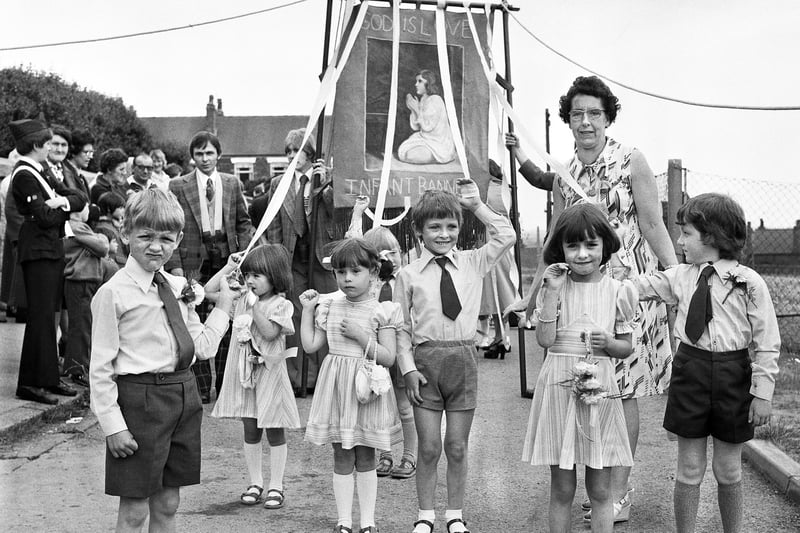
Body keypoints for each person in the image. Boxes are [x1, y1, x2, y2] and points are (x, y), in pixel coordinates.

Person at [509, 76, 679, 523]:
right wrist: (528, 302)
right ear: (568, 119)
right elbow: (554, 243)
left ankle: (619, 492)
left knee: (623, 389)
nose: (586, 122)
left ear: (608, 118)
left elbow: (653, 224)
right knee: (589, 389)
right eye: (578, 114)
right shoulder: (565, 173)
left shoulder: (632, 160)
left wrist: (676, 281)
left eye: (595, 114)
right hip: (580, 296)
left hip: (630, 293)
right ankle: (598, 483)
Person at [89, 188, 236, 533]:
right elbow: (100, 369)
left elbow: (202, 347)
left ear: (179, 239)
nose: (156, 246)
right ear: (125, 234)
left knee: (169, 502)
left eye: (166, 238)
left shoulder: (177, 285)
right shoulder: (113, 294)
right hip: (141, 403)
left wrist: (225, 305)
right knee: (135, 509)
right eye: (146, 236)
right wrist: (114, 426)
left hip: (183, 398)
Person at [635, 193, 779, 533]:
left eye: (686, 233)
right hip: (691, 372)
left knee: (729, 469)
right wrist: (595, 284)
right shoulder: (680, 277)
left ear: (711, 236)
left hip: (733, 377)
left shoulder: (750, 283)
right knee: (689, 468)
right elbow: (638, 287)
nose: (679, 241)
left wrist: (763, 392)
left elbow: (767, 342)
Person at [395, 180, 516, 533]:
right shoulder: (407, 275)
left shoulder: (474, 262)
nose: (443, 234)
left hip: (462, 360)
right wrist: (407, 369)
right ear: (419, 231)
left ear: (460, 228)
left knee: (457, 447)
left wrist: (476, 205)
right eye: (434, 227)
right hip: (424, 364)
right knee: (429, 448)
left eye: (450, 226)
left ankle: (454, 514)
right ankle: (425, 515)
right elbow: (401, 327)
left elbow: (505, 234)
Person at [522, 203, 636, 533]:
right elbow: (544, 340)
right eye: (572, 246)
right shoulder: (555, 286)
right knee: (561, 489)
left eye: (591, 245)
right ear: (561, 248)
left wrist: (608, 344)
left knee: (600, 490)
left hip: (598, 391)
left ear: (605, 246)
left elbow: (626, 348)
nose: (582, 254)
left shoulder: (619, 291)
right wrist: (551, 293)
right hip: (558, 387)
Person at [300, 238, 404, 533]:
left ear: (373, 273)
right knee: (341, 453)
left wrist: (361, 336)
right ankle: (344, 520)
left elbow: (388, 357)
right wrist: (308, 310)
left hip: (365, 389)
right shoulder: (330, 306)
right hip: (336, 387)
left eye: (355, 271)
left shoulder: (382, 310)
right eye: (340, 272)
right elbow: (310, 346)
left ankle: (368, 522)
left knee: (365, 453)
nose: (347, 278)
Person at [209, 244, 301, 510]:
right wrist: (228, 267)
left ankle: (276, 485)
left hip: (270, 373)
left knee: (274, 428)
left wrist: (254, 307)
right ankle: (255, 481)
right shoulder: (239, 298)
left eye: (257, 275)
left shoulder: (281, 305)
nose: (250, 280)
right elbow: (209, 292)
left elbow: (271, 333)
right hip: (245, 373)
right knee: (250, 427)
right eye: (248, 274)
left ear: (274, 276)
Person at [167, 130, 253, 403]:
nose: (205, 159)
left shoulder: (231, 182)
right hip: (193, 260)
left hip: (225, 256)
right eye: (199, 153)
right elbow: (173, 226)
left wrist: (245, 250)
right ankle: (202, 387)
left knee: (227, 315)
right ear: (192, 157)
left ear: (218, 154)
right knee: (195, 318)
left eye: (209, 153)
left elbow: (243, 221)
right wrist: (176, 267)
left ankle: (226, 382)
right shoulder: (178, 185)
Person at [8, 119, 87, 404]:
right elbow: (43, 217)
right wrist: (60, 207)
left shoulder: (40, 170)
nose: (51, 148)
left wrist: (60, 204)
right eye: (48, 143)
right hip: (39, 249)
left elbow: (78, 197)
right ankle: (30, 383)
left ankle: (48, 379)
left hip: (50, 248)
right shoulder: (24, 174)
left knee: (48, 318)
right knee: (40, 319)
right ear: (36, 146)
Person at [345, 206, 418, 481]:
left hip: (400, 349)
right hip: (374, 350)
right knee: (379, 405)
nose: (390, 259)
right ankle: (384, 453)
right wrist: (357, 214)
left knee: (404, 405)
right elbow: (351, 243)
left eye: (394, 253)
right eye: (382, 255)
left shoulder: (409, 279)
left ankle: (410, 454)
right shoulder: (370, 284)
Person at [267, 129, 337, 392]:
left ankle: (327, 377)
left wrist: (327, 184)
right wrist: (277, 257)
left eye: (297, 151)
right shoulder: (279, 183)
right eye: (288, 152)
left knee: (324, 313)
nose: (291, 157)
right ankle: (299, 378)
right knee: (295, 315)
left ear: (310, 154)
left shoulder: (325, 179)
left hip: (321, 255)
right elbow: (274, 222)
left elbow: (334, 211)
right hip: (292, 257)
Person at [62, 202, 110, 387]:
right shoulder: (76, 226)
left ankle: (75, 366)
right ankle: (78, 369)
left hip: (83, 279)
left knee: (81, 325)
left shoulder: (77, 228)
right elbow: (103, 246)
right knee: (82, 326)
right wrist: (100, 237)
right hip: (81, 278)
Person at [477, 160, 519, 360]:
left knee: (498, 291)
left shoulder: (492, 188)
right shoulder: (501, 187)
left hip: (494, 241)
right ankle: (500, 337)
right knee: (494, 293)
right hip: (494, 241)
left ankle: (502, 337)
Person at [397, 70, 456, 165]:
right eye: (416, 81)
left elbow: (427, 127)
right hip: (424, 138)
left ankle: (437, 157)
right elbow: (416, 127)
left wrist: (416, 109)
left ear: (428, 83)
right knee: (402, 152)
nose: (416, 84)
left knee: (410, 155)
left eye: (420, 81)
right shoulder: (424, 99)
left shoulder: (435, 100)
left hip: (438, 143)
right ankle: (428, 156)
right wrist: (413, 109)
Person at [92, 191, 128, 268]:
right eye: (120, 208)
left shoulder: (113, 225)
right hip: (115, 266)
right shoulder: (103, 228)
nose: (123, 211)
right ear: (109, 209)